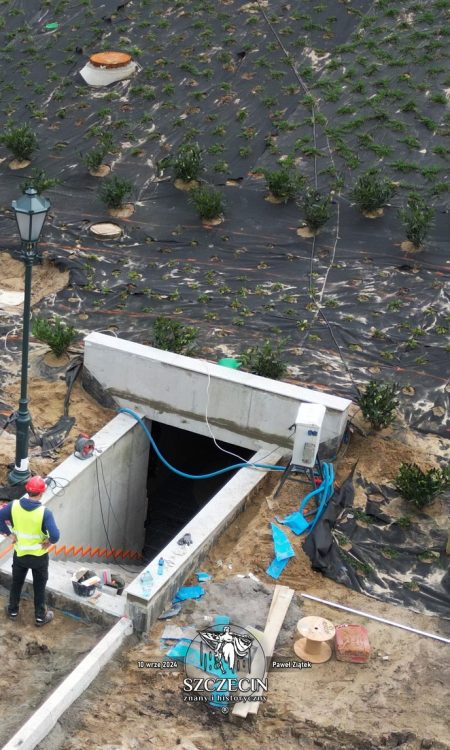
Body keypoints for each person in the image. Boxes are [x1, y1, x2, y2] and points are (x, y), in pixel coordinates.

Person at [0, 475, 60, 626]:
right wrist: (49, 541)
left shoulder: (14, 506)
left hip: (20, 555)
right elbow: (55, 535)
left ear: (27, 491)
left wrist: (8, 534)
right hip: (39, 557)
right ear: (42, 492)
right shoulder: (44, 513)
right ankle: (40, 617)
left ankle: (13, 610)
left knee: (16, 583)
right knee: (39, 587)